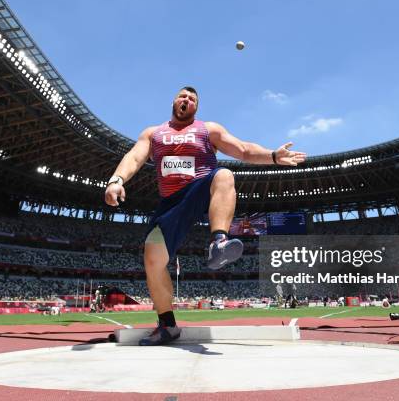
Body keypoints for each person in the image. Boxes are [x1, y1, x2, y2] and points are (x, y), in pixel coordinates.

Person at [105, 86, 306, 345]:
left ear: (196, 107)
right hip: (171, 203)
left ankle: (219, 242)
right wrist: (116, 180)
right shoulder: (153, 133)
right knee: (152, 260)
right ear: (174, 101)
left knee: (224, 174)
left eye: (192, 98)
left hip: (201, 187)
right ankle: (167, 326)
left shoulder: (208, 129)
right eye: (183, 96)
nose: (186, 100)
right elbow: (134, 157)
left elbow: (243, 150)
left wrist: (273, 157)